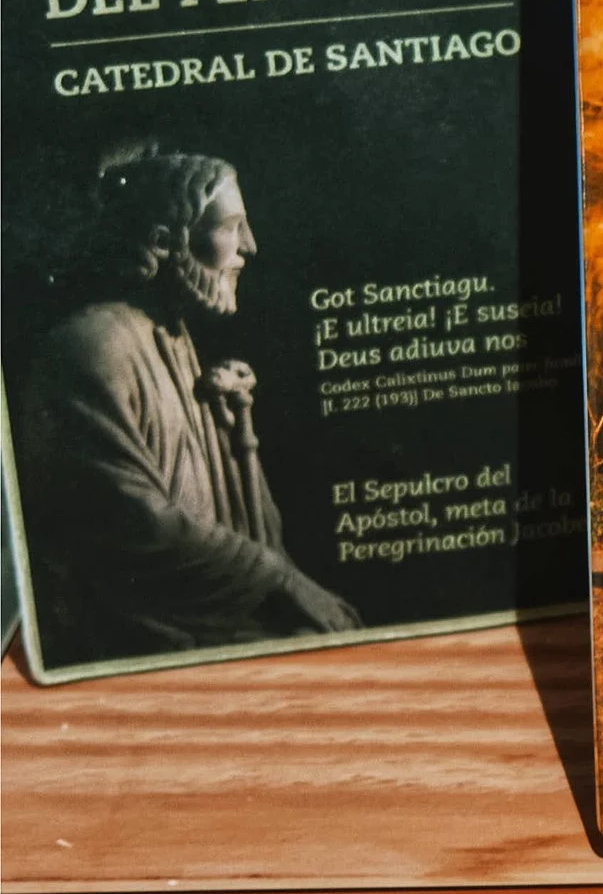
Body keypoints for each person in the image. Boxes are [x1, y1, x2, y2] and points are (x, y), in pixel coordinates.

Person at [14, 145, 358, 664]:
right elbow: (131, 523)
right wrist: (280, 581)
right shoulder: (94, 346)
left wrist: (235, 428)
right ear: (163, 241)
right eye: (232, 227)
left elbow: (246, 529)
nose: (250, 247)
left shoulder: (174, 340)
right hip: (140, 631)